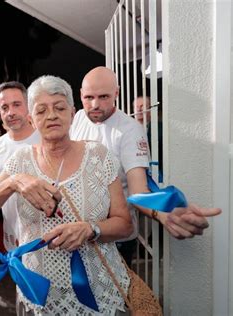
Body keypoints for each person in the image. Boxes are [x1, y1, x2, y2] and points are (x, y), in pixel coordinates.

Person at [0, 75, 133, 315]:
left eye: (59, 108)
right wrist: (14, 182)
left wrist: (91, 229)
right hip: (39, 289)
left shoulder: (99, 156)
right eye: (41, 110)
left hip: (98, 286)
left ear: (72, 113)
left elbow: (125, 225)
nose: (51, 116)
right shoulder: (20, 161)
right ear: (32, 119)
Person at [70, 66, 221, 264]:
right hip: (81, 233)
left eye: (104, 97)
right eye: (89, 97)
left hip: (116, 239)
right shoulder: (78, 118)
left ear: (117, 92)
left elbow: (137, 190)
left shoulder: (130, 130)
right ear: (80, 94)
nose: (95, 104)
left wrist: (164, 212)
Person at [0, 81, 41, 251]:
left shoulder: (46, 140)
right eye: (4, 107)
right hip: (12, 240)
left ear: (28, 105)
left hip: (47, 239)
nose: (11, 112)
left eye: (16, 105)